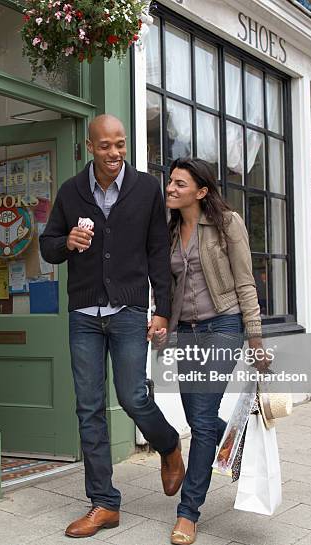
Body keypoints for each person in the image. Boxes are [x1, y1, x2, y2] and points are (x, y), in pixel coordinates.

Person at [39, 114, 185, 539]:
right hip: (83, 315)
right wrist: (66, 242)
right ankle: (103, 503)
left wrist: (161, 309)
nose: (115, 153)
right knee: (88, 408)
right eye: (106, 146)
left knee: (133, 396)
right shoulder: (71, 191)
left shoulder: (145, 190)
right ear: (90, 147)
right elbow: (48, 247)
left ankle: (169, 445)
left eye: (120, 144)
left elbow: (158, 250)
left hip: (127, 311)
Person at [162, 158, 269, 545]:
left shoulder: (228, 224)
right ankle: (232, 450)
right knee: (199, 419)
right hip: (186, 333)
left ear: (201, 191)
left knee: (202, 421)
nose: (171, 188)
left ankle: (188, 513)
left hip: (223, 327)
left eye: (180, 184)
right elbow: (165, 286)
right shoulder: (170, 229)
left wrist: (255, 339)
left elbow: (245, 283)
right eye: (170, 182)